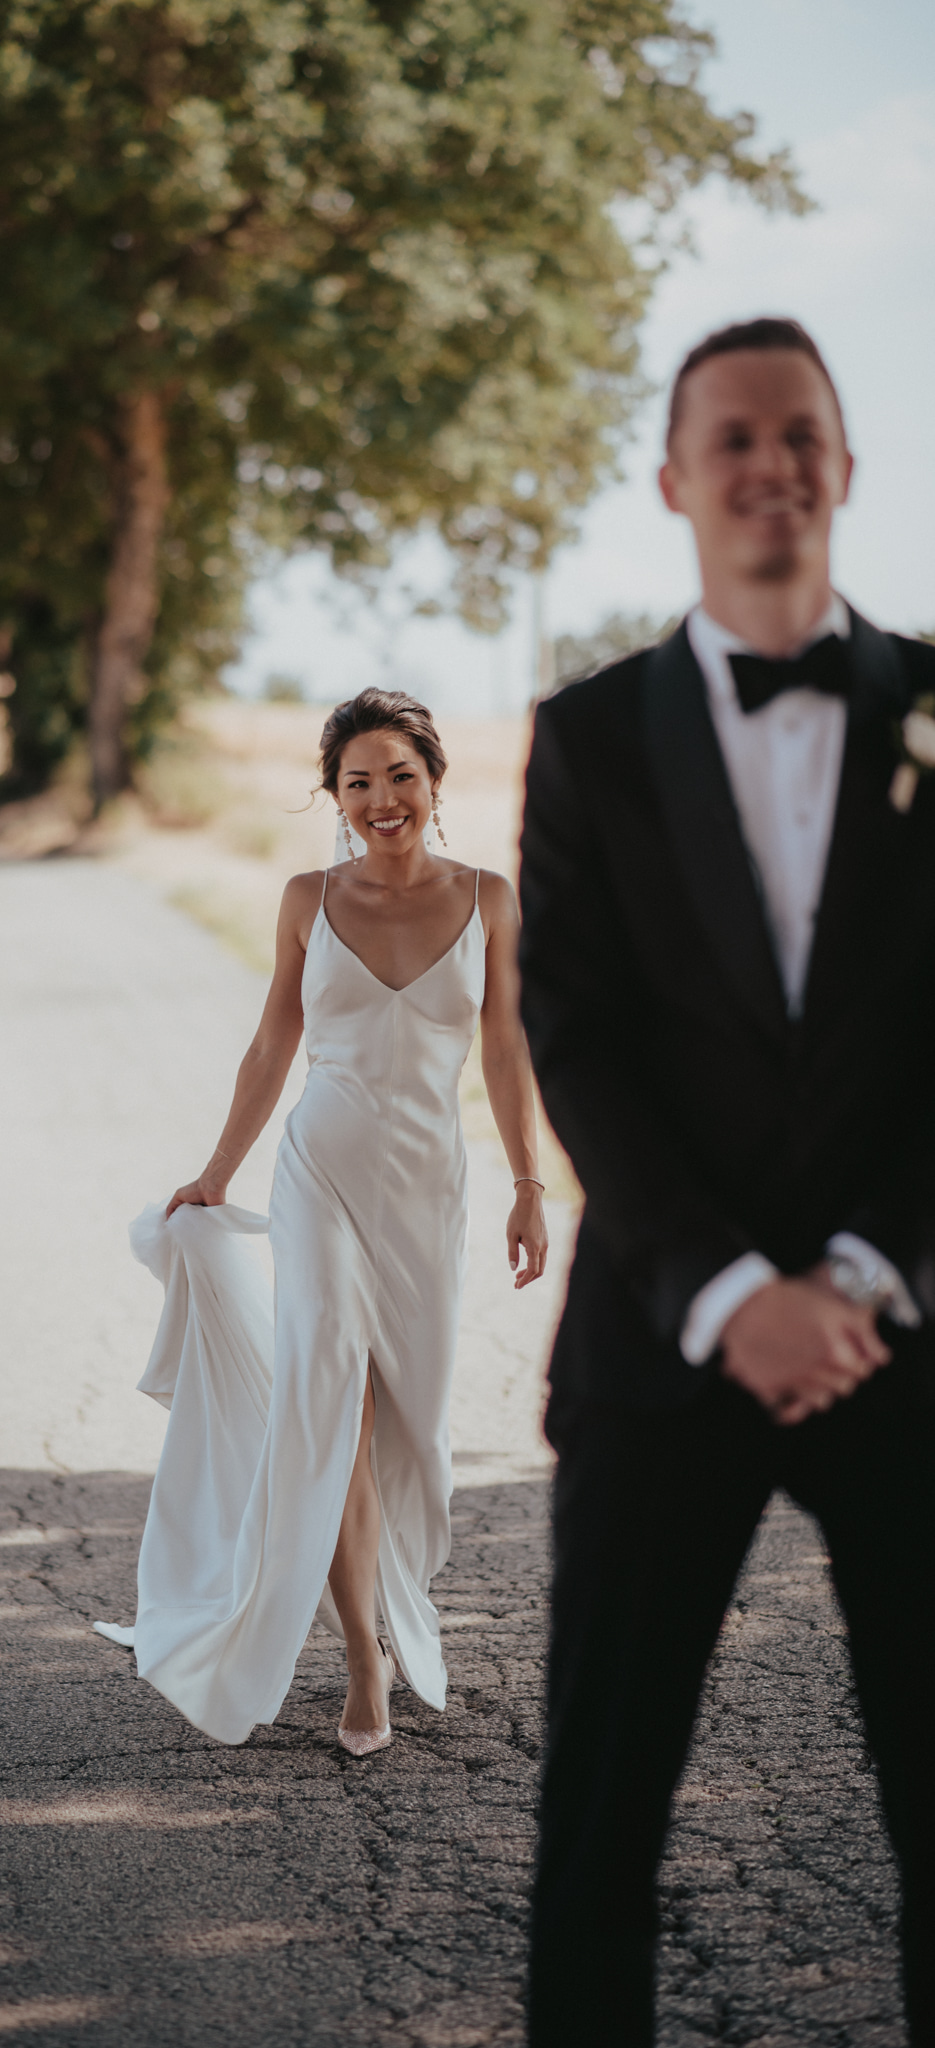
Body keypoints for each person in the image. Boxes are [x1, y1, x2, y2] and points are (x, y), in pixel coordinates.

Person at [519, 317, 935, 2045]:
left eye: (800, 433)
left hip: (901, 1341)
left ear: (845, 462)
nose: (770, 465)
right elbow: (575, 1033)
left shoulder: (933, 705)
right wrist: (724, 1289)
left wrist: (853, 1269)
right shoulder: (589, 734)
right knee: (597, 1829)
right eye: (733, 439)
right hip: (657, 1341)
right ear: (674, 480)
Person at [99, 688, 548, 1753]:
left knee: (413, 1434)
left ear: (433, 781)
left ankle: (388, 1607)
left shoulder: (488, 898)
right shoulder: (306, 895)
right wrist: (215, 1173)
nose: (380, 798)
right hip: (320, 1180)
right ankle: (361, 1656)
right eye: (357, 781)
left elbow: (504, 1049)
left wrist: (530, 1182)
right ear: (331, 795)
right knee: (330, 1409)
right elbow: (271, 1046)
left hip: (428, 1190)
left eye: (398, 775)